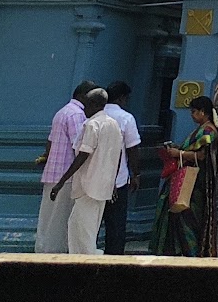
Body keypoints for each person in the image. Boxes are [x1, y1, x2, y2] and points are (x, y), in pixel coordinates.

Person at [49, 88, 124, 257]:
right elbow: (117, 156)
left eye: (87, 104)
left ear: (95, 105)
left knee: (82, 229)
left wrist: (61, 182)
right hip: (103, 186)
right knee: (87, 226)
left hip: (88, 185)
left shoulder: (92, 125)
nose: (84, 108)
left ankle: (86, 261)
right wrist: (112, 182)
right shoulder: (113, 125)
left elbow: (83, 155)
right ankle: (85, 258)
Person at [151, 95, 218, 257]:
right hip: (187, 177)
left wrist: (179, 153)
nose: (192, 115)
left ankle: (192, 251)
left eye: (194, 111)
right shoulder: (200, 129)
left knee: (188, 216)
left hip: (195, 181)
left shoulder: (208, 131)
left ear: (203, 112)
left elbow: (202, 156)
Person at [34, 80, 99, 253]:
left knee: (48, 219)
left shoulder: (62, 112)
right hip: (67, 177)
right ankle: (56, 255)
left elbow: (50, 142)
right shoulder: (77, 115)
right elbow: (80, 147)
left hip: (53, 173)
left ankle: (43, 252)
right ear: (83, 96)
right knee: (61, 220)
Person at [100, 82, 143, 255]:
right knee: (116, 224)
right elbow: (132, 149)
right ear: (122, 98)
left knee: (90, 223)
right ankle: (114, 257)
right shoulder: (126, 118)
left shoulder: (94, 116)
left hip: (92, 179)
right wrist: (136, 174)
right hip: (117, 181)